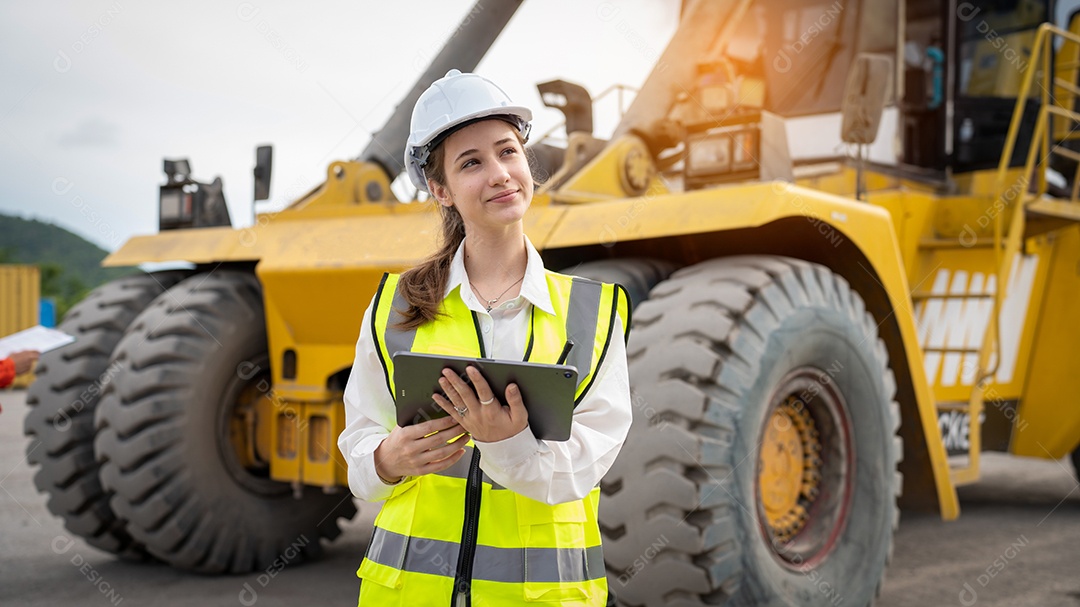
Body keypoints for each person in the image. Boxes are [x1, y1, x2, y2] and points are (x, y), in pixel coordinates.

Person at [338, 69, 633, 606]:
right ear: (440, 189)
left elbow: (585, 466)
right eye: (471, 162)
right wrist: (385, 460)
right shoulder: (396, 308)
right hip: (409, 594)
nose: (500, 173)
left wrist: (507, 444)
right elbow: (358, 446)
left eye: (508, 152)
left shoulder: (593, 312)